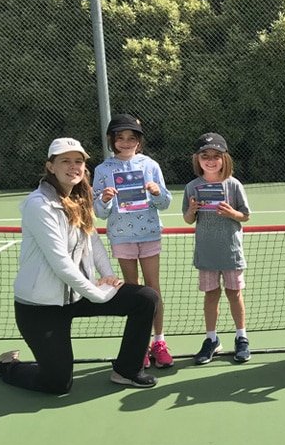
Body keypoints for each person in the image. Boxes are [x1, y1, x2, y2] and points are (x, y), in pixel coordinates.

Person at [0, 138, 158, 393]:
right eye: (65, 161)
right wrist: (98, 294)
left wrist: (109, 276)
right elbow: (61, 263)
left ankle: (127, 370)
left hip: (77, 294)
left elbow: (94, 241)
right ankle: (6, 366)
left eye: (78, 161)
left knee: (145, 298)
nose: (73, 166)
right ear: (50, 166)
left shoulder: (80, 198)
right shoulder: (39, 205)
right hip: (40, 307)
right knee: (57, 384)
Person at [93, 114, 173, 368]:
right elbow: (99, 212)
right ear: (112, 141)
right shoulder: (103, 170)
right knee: (134, 292)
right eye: (120, 138)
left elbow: (166, 203)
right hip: (121, 237)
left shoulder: (150, 165)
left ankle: (159, 343)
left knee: (153, 289)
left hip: (149, 234)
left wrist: (157, 192)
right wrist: (104, 198)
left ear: (139, 141)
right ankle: (139, 345)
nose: (126, 142)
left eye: (131, 138)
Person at [182, 132, 252, 364]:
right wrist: (192, 209)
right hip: (207, 254)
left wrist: (231, 213)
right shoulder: (192, 187)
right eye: (205, 156)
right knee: (211, 296)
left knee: (234, 294)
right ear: (198, 159)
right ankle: (211, 339)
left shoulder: (233, 185)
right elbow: (188, 219)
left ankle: (241, 337)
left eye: (216, 156)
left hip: (231, 252)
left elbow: (246, 215)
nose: (211, 161)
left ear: (224, 159)